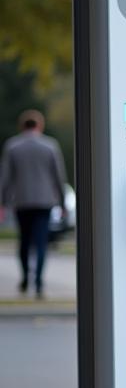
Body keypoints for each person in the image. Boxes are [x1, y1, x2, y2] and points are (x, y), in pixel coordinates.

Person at [0, 109, 67, 297]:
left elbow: (5, 178)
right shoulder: (50, 146)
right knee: (40, 242)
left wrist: (3, 202)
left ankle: (24, 277)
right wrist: (62, 203)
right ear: (40, 125)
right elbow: (58, 176)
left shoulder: (13, 146)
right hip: (45, 201)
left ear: (22, 126)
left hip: (22, 201)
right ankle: (38, 281)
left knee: (24, 241)